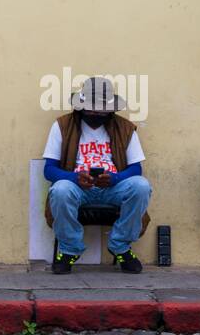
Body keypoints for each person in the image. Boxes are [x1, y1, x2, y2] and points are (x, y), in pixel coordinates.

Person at [42, 76, 151, 274]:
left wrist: (115, 178)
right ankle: (69, 250)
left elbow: (136, 169)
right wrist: (75, 178)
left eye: (100, 110)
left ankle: (120, 246)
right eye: (90, 109)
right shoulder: (62, 125)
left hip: (113, 187)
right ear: (80, 106)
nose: (94, 113)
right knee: (59, 190)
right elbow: (49, 170)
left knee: (141, 186)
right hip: (77, 187)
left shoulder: (125, 128)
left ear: (109, 109)